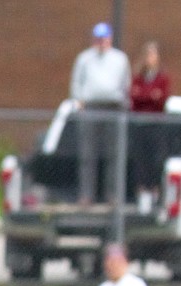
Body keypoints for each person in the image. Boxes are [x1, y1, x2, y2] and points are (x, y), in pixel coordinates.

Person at [70, 23, 131, 205]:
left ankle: (113, 195)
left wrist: (124, 102)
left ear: (110, 39)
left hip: (113, 106)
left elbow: (126, 83)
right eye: (98, 38)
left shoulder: (120, 59)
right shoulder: (84, 58)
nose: (101, 42)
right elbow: (76, 82)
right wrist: (78, 101)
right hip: (90, 106)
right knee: (88, 153)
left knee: (114, 153)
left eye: (104, 38)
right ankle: (86, 195)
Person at [130, 41, 172, 207]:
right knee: (141, 160)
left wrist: (145, 96)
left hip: (156, 125)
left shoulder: (162, 78)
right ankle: (142, 194)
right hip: (140, 125)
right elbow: (134, 98)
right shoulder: (138, 77)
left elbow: (161, 99)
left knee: (156, 159)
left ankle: (155, 193)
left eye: (153, 55)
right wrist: (150, 96)